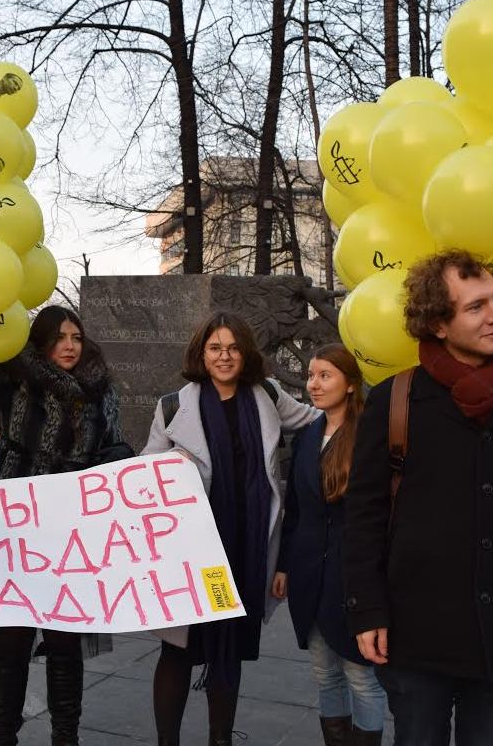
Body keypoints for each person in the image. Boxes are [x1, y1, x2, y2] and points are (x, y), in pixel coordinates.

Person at [342, 249, 493, 746]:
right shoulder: (394, 401)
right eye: (476, 306)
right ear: (437, 323)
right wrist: (366, 608)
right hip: (415, 633)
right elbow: (364, 516)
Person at [0, 304, 134, 746]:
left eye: (76, 337)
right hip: (14, 529)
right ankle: (4, 735)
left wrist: (116, 458)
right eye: (58, 338)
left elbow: (115, 445)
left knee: (65, 643)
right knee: (11, 643)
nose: (69, 346)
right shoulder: (15, 378)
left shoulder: (101, 390)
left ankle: (65, 736)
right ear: (40, 343)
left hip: (72, 533)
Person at [142, 311, 319, 746]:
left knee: (231, 646)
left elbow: (320, 420)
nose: (225, 356)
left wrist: (365, 412)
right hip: (190, 554)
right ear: (201, 354)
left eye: (234, 348)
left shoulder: (268, 395)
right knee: (178, 649)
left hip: (244, 550)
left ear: (246, 353)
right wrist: (171, 466)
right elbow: (145, 475)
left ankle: (220, 739)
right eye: (215, 348)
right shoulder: (172, 406)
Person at [273, 344, 386, 745]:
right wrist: (284, 565)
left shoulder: (371, 436)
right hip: (309, 574)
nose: (313, 385)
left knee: (361, 677)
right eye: (311, 375)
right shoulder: (306, 436)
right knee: (325, 674)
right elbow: (295, 510)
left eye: (325, 376)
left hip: (353, 576)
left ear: (350, 384)